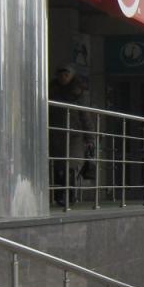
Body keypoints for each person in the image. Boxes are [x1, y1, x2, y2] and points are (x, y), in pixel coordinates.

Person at [49, 65, 87, 205]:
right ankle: (60, 195)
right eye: (61, 74)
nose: (63, 77)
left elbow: (84, 114)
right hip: (55, 133)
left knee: (70, 165)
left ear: (72, 76)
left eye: (66, 74)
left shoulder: (78, 92)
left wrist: (90, 136)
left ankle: (70, 194)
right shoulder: (52, 90)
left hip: (74, 134)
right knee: (58, 166)